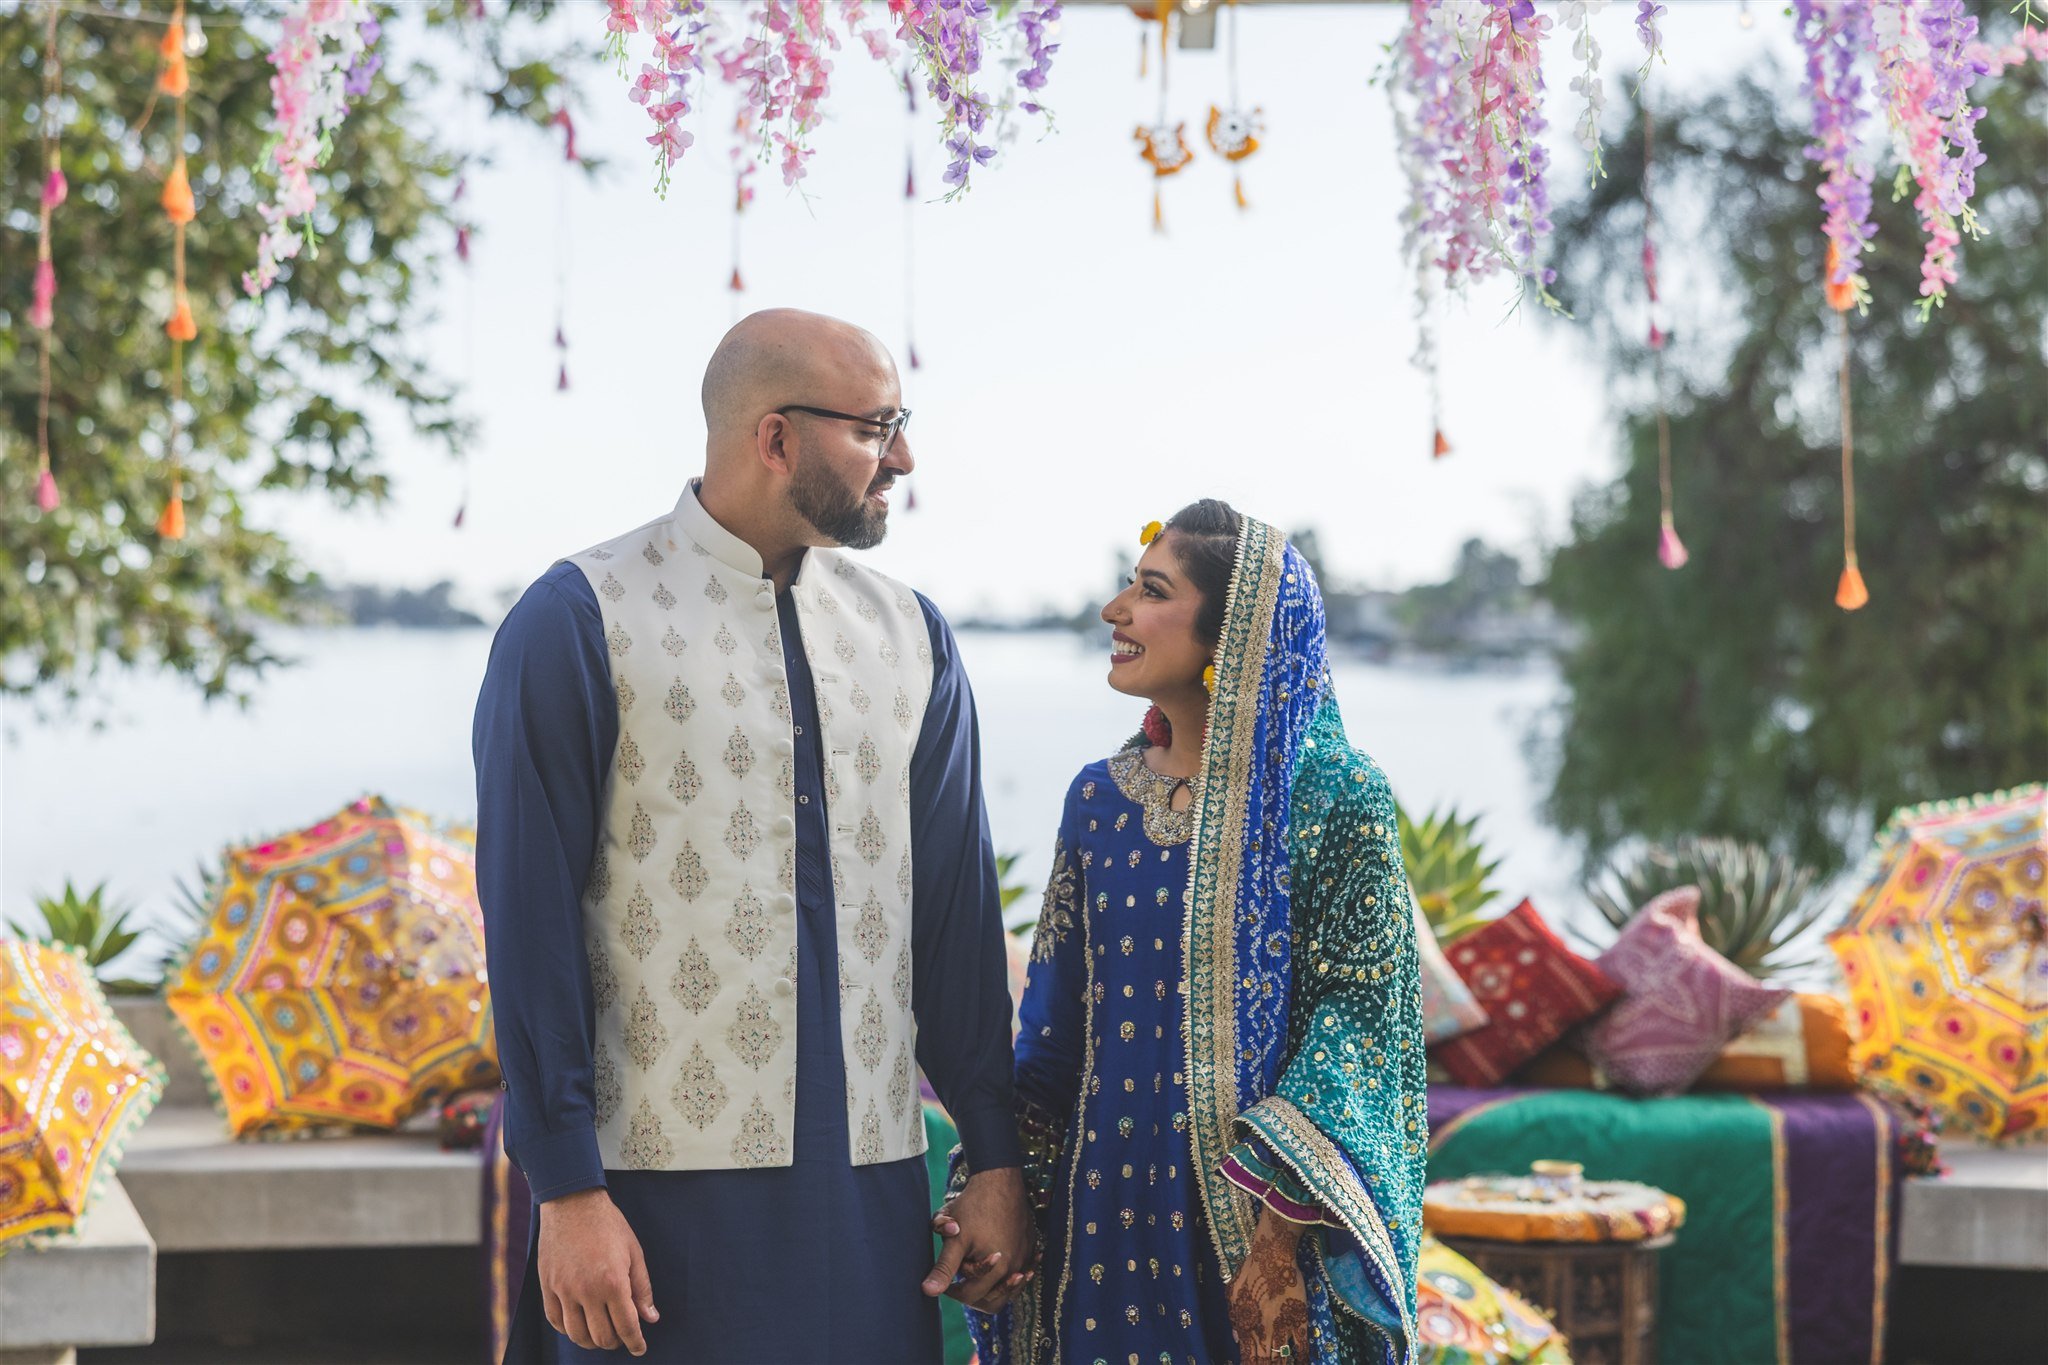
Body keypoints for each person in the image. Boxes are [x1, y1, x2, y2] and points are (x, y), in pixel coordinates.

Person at [474, 308, 1031, 1361]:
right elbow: (527, 919)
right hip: (646, 1205)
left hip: (868, 1196)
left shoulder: (910, 636)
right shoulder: (580, 616)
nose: (901, 457)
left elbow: (954, 924)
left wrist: (993, 1160)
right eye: (875, 427)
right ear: (773, 438)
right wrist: (567, 1192)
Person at [952, 501, 1427, 1365]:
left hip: (1259, 1236)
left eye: (1151, 590)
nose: (1115, 609)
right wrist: (994, 1193)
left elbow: (1359, 1029)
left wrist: (1279, 1242)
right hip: (1099, 1226)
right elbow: (1052, 1039)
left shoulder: (1331, 799)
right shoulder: (1099, 800)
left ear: (1232, 630)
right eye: (1131, 584)